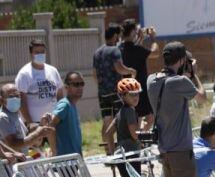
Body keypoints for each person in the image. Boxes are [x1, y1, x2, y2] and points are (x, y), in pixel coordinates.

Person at [147, 41, 206, 177]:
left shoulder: (151, 80)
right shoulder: (180, 81)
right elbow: (201, 98)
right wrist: (194, 74)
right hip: (181, 147)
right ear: (182, 60)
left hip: (164, 148)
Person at [107, 78, 150, 177]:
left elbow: (107, 133)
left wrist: (112, 152)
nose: (135, 98)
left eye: (137, 95)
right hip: (131, 155)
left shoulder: (120, 112)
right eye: (131, 95)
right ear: (122, 96)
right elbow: (134, 134)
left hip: (121, 154)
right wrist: (144, 127)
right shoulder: (131, 111)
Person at [92, 24, 135, 154]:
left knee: (106, 120)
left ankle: (108, 150)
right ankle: (122, 148)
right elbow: (119, 68)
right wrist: (131, 70)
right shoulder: (115, 50)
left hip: (102, 92)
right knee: (119, 120)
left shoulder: (97, 52)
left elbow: (94, 73)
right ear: (115, 35)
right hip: (115, 91)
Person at [16, 38, 64, 148]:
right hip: (35, 124)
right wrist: (30, 122)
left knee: (57, 153)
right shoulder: (24, 74)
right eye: (37, 52)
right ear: (31, 54)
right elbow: (22, 101)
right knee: (36, 155)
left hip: (53, 121)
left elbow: (60, 94)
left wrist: (61, 116)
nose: (40, 54)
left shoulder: (52, 70)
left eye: (42, 52)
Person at [120, 20, 158, 129]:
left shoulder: (120, 49)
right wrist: (153, 38)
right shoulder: (136, 49)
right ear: (132, 32)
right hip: (139, 88)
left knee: (136, 117)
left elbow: (135, 49)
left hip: (125, 88)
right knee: (150, 117)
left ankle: (138, 138)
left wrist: (140, 37)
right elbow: (155, 53)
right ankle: (140, 137)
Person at [49, 71, 84, 157]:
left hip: (74, 158)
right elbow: (50, 126)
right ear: (66, 87)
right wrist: (54, 151)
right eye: (76, 84)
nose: (80, 87)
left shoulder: (72, 105)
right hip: (64, 161)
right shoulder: (65, 105)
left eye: (81, 84)